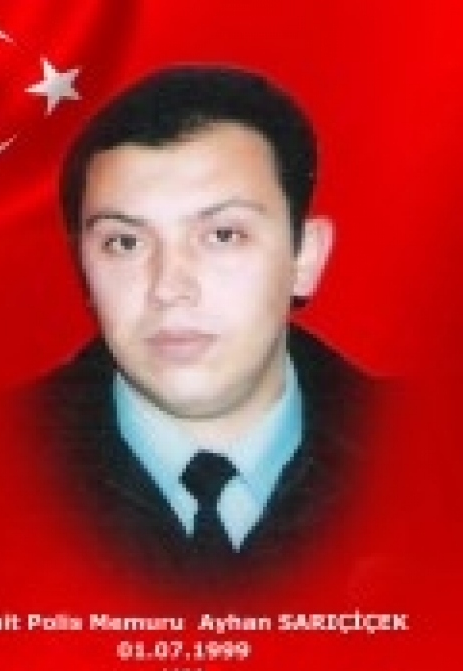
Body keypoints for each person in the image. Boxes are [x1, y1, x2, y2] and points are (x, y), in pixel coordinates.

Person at [28, 65, 379, 587]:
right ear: (83, 267)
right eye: (124, 243)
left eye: (223, 236)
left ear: (305, 257)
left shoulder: (430, 458)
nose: (169, 287)